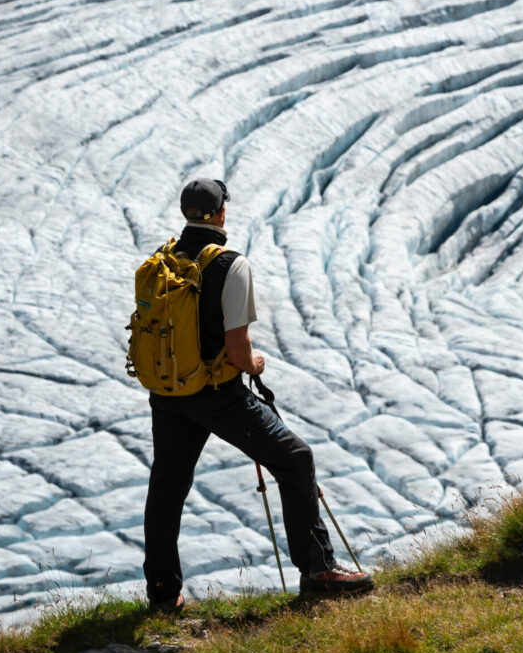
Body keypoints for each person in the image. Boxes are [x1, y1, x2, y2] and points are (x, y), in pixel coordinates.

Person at [142, 177, 373, 612]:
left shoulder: (163, 260)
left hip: (170, 392)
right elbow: (238, 349)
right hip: (217, 394)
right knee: (296, 459)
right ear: (221, 212)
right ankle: (319, 570)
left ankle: (162, 594)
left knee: (167, 486)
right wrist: (256, 365)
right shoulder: (231, 265)